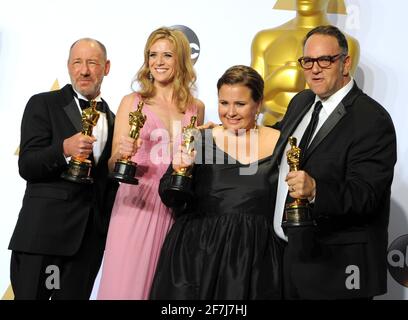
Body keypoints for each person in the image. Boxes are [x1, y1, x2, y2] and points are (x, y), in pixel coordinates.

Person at [273, 25, 397, 299]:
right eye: (308, 61)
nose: (315, 69)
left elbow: (367, 194)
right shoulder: (302, 101)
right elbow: (273, 140)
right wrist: (223, 135)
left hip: (338, 270)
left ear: (345, 62)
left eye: (325, 60)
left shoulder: (372, 119)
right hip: (291, 259)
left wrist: (317, 189)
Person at [150, 65, 283, 300]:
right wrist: (181, 170)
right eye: (223, 103)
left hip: (254, 258)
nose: (230, 112)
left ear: (258, 103)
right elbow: (170, 195)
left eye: (240, 104)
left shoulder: (281, 142)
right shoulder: (200, 138)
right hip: (198, 255)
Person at [97, 27, 205, 300]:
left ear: (181, 59)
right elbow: (112, 166)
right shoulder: (132, 102)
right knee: (125, 287)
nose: (158, 62)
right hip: (136, 204)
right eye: (152, 55)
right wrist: (120, 152)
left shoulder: (196, 107)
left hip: (175, 207)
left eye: (167, 55)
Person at [8, 38, 118, 299]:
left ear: (107, 67)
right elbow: (28, 165)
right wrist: (64, 149)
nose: (84, 70)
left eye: (92, 62)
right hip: (43, 238)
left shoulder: (116, 120)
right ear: (68, 66)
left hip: (86, 246)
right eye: (77, 62)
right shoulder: (43, 103)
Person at [251, 0, 360, 126]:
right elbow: (251, 102)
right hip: (271, 134)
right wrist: (277, 81)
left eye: (324, 61)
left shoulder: (348, 44)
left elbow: (339, 100)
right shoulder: (265, 40)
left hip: (317, 137)